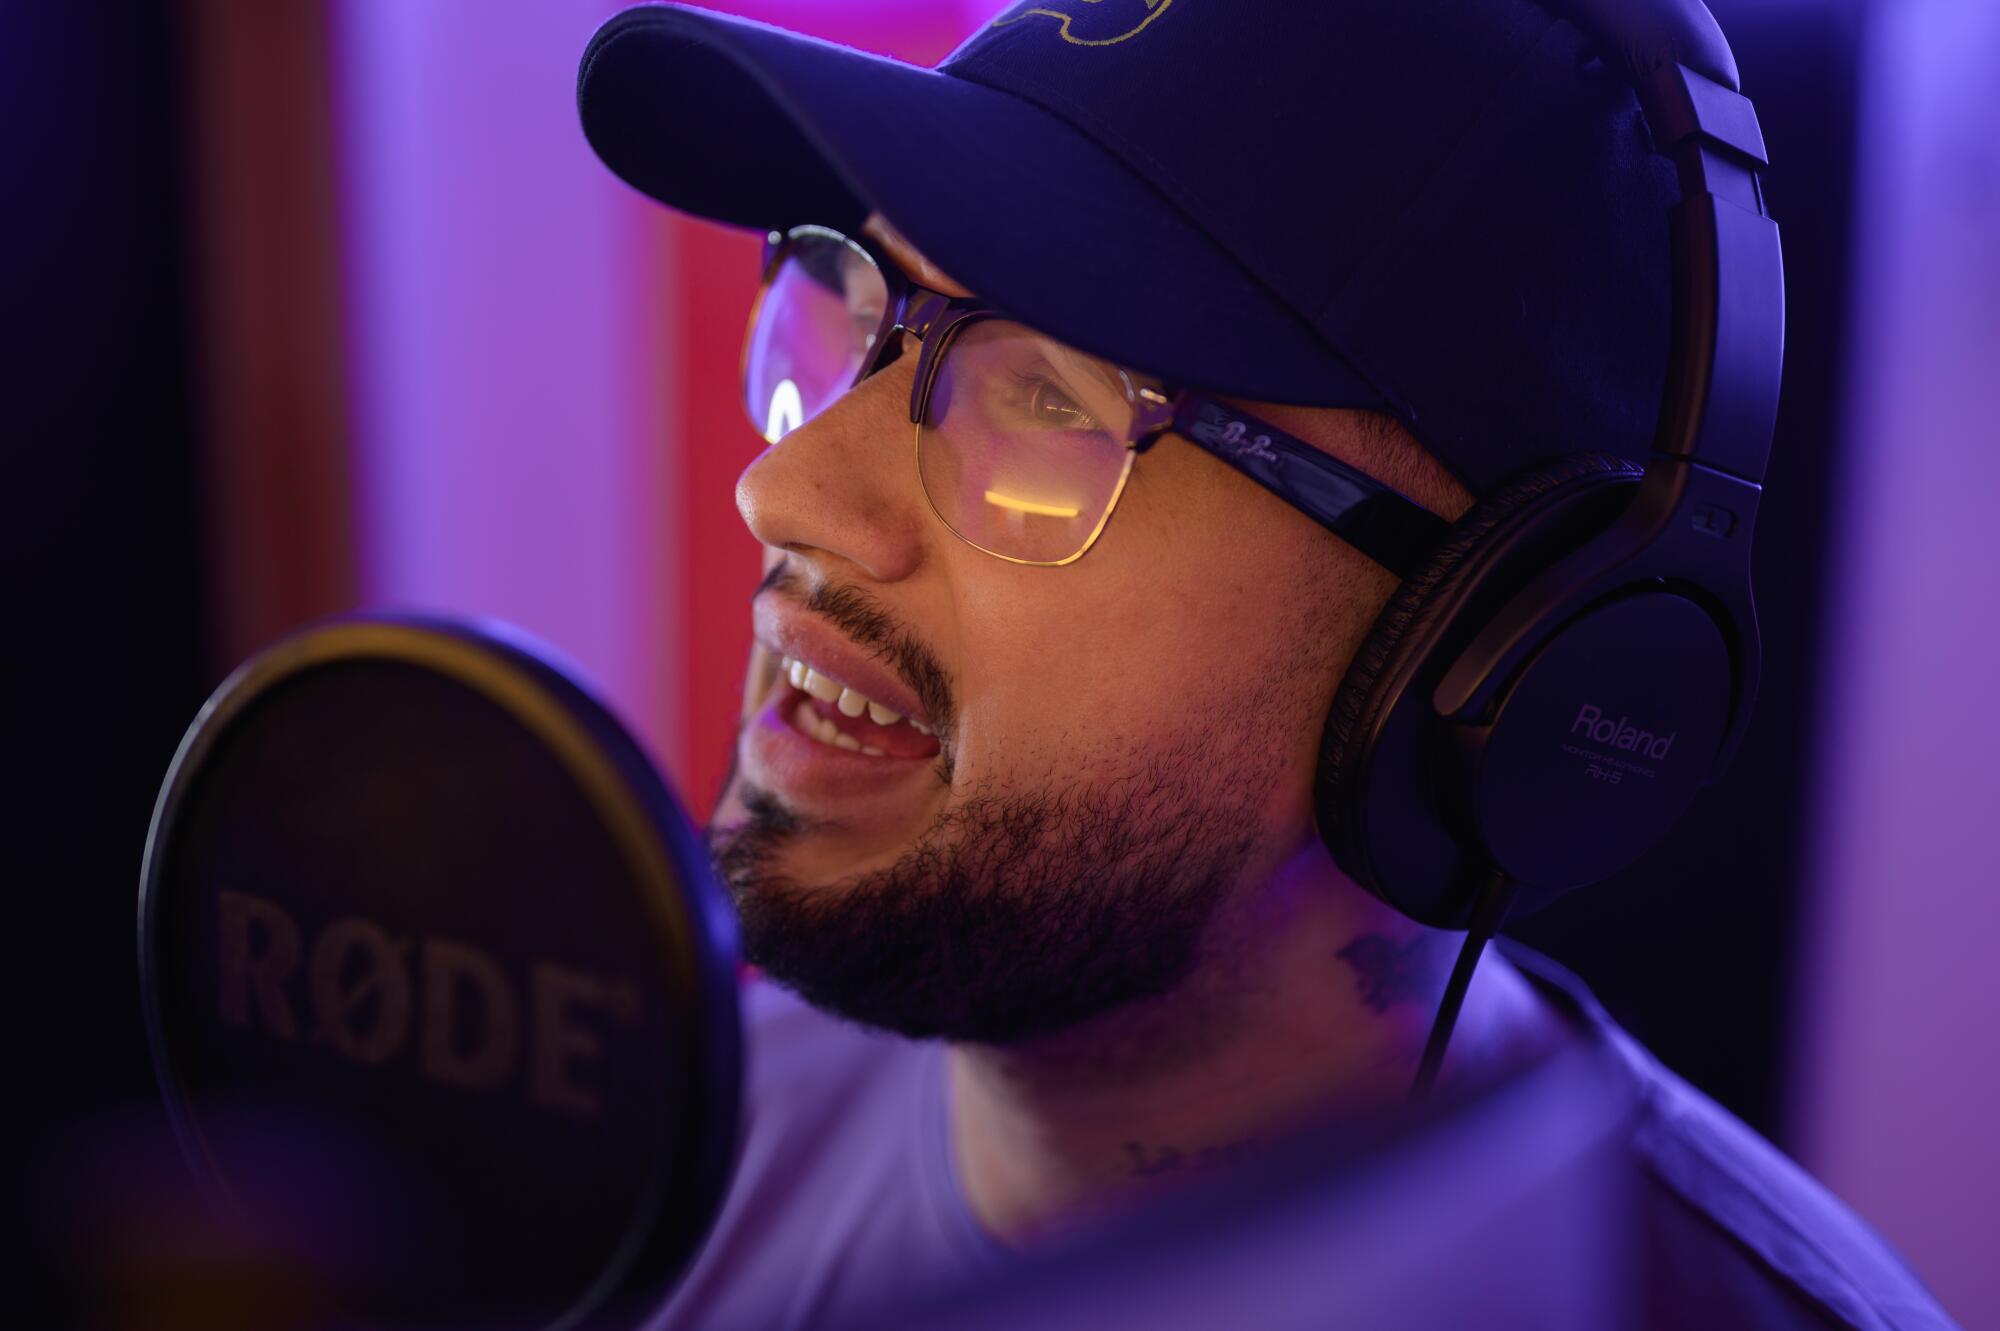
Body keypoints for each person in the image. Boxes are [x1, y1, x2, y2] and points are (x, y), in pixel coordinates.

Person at [576, 2, 1958, 1327]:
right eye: (856, 304)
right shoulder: (627, 1184)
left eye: (1051, 398)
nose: (787, 492)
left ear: (1486, 643)